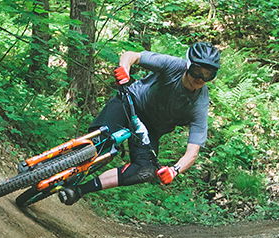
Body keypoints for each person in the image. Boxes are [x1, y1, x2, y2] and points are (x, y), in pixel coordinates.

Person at [59, 42, 221, 205]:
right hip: (131, 103)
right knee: (98, 140)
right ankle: (55, 167)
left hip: (150, 128)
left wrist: (174, 170)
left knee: (145, 171)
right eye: (197, 71)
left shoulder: (199, 104)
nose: (200, 78)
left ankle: (78, 191)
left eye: (208, 75)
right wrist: (124, 68)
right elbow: (132, 56)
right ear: (188, 65)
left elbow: (192, 152)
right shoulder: (173, 65)